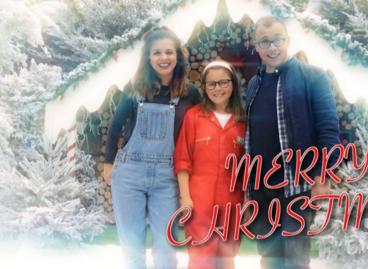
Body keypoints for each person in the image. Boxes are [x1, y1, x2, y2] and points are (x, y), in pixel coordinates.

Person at [245, 16, 341, 269]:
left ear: (288, 40)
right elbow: (251, 137)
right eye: (265, 42)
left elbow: (329, 131)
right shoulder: (254, 84)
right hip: (262, 188)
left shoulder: (314, 77)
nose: (272, 47)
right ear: (256, 45)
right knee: (268, 256)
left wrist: (323, 177)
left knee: (296, 258)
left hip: (297, 185)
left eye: (277, 39)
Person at [102, 26, 200, 269]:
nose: (163, 58)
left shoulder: (190, 93)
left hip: (167, 175)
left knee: (166, 245)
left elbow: (199, 129)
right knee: (132, 243)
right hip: (129, 173)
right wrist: (107, 165)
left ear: (178, 55)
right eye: (157, 53)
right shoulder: (135, 87)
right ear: (148, 57)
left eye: (169, 52)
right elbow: (115, 128)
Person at [174, 60, 246, 269]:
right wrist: (186, 198)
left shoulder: (242, 120)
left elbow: (247, 167)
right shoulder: (194, 116)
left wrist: (247, 200)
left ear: (233, 84)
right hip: (199, 200)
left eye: (223, 82)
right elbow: (182, 160)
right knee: (200, 256)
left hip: (232, 200)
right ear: (204, 87)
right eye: (211, 84)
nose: (218, 89)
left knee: (227, 255)